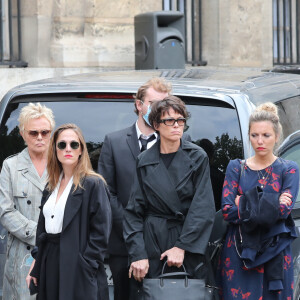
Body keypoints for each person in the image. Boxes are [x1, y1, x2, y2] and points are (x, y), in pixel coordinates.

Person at [123, 95, 215, 283]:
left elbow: (203, 208)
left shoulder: (197, 157)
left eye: (180, 120)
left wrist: (182, 247)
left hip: (188, 244)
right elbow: (133, 211)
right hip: (152, 244)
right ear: (156, 125)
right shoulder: (144, 160)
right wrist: (138, 253)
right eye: (170, 120)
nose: (176, 125)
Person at [98, 77, 171, 300]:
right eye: (155, 103)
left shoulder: (176, 142)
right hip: (122, 246)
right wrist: (133, 234)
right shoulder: (114, 141)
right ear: (139, 105)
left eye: (165, 104)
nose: (161, 110)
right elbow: (106, 192)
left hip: (164, 249)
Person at [218, 102, 299, 299]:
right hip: (239, 252)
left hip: (275, 252)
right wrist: (272, 200)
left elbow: (283, 212)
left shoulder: (289, 169)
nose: (259, 141)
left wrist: (243, 202)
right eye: (254, 135)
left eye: (266, 135)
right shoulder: (236, 167)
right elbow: (227, 210)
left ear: (277, 136)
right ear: (249, 136)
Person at [27, 123, 112, 300]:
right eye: (62, 144)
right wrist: (36, 266)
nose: (68, 149)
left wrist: (86, 264)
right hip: (49, 260)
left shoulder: (93, 184)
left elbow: (101, 233)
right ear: (55, 149)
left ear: (81, 150)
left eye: (74, 144)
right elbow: (42, 231)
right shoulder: (51, 186)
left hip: (77, 264)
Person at [0, 103, 55, 300]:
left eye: (45, 132)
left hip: (58, 252)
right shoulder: (10, 166)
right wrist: (40, 235)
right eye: (33, 133)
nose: (40, 137)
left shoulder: (63, 163)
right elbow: (5, 212)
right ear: (22, 133)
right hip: (23, 256)